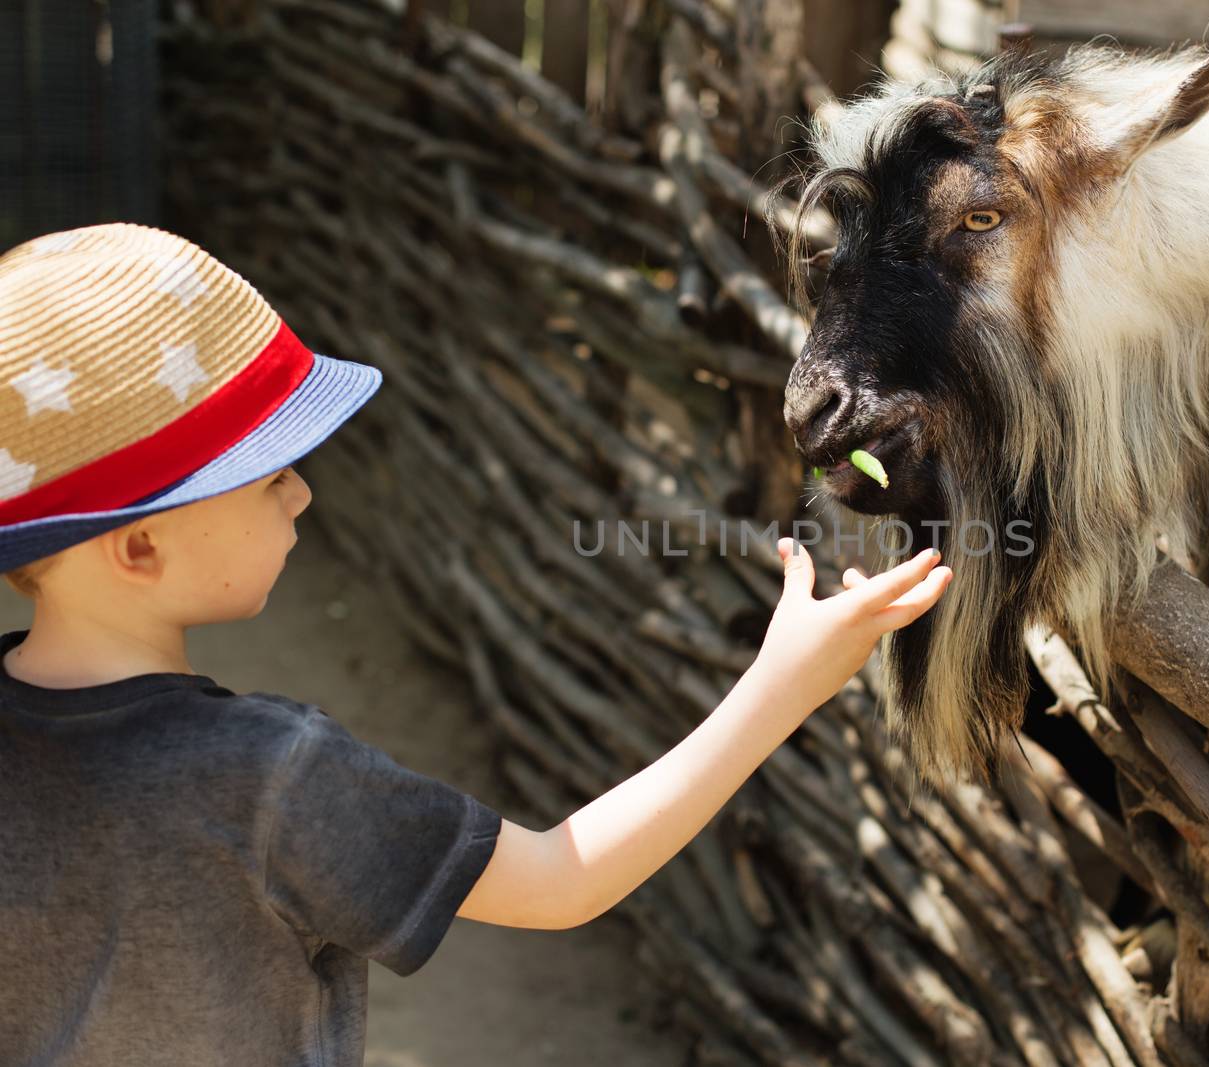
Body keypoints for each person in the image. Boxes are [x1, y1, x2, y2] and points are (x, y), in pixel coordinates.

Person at [0, 223, 953, 1066]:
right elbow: (559, 881)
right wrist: (781, 685)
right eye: (269, 476)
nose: (301, 494)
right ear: (138, 545)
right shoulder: (262, 780)